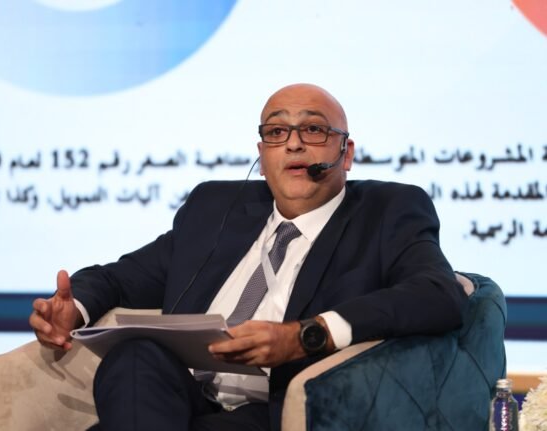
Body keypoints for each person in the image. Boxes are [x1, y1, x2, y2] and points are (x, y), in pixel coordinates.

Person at [29, 83, 467, 431]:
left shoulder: (387, 211)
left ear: (345, 153)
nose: (293, 145)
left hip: (271, 411)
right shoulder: (215, 207)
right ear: (262, 155)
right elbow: (121, 277)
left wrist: (305, 335)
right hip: (175, 399)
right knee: (135, 354)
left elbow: (437, 294)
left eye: (314, 130)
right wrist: (73, 307)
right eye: (276, 133)